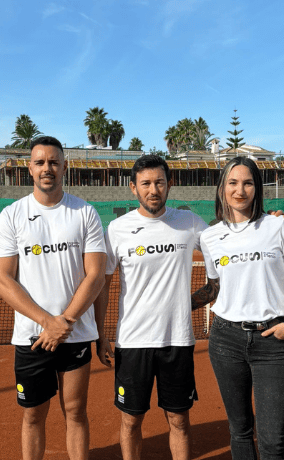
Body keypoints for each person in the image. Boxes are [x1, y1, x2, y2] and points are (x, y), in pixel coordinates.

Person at [0, 136, 107, 460]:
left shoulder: (85, 213)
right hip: (33, 337)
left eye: (54, 162)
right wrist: (47, 323)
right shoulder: (12, 216)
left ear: (64, 167)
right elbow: (2, 279)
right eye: (40, 162)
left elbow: (96, 274)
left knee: (75, 413)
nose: (47, 168)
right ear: (30, 168)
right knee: (32, 416)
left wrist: (65, 322)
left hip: (75, 334)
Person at [94, 154, 209, 460]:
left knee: (179, 420)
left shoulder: (190, 223)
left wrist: (266, 219)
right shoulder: (118, 229)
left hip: (178, 342)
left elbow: (229, 245)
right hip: (133, 342)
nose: (153, 189)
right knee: (131, 420)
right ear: (133, 188)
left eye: (159, 182)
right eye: (145, 183)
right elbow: (102, 284)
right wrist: (102, 334)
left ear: (170, 184)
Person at [197, 156, 284, 460]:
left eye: (247, 183)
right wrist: (175, 306)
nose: (240, 190)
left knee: (273, 440)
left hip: (273, 340)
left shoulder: (277, 226)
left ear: (257, 188)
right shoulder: (209, 237)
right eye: (232, 182)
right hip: (225, 340)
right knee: (240, 431)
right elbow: (214, 288)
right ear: (222, 188)